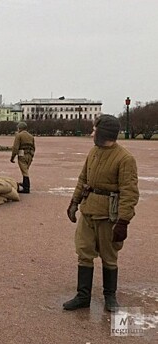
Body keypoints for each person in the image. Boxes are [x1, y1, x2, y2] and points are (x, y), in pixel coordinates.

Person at [63, 115, 139, 312]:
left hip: (108, 216)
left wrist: (123, 221)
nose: (91, 134)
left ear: (103, 132)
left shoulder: (125, 159)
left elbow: (129, 192)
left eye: (94, 130)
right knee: (84, 252)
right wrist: (74, 202)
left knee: (109, 256)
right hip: (88, 212)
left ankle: (110, 297)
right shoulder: (93, 152)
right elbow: (83, 179)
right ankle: (83, 296)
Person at [10, 122, 35, 193]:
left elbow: (15, 147)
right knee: (26, 170)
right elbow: (33, 147)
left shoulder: (19, 135)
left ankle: (26, 187)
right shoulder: (31, 136)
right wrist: (31, 156)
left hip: (22, 154)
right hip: (29, 154)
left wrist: (12, 157)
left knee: (24, 171)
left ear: (20, 128)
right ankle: (24, 183)